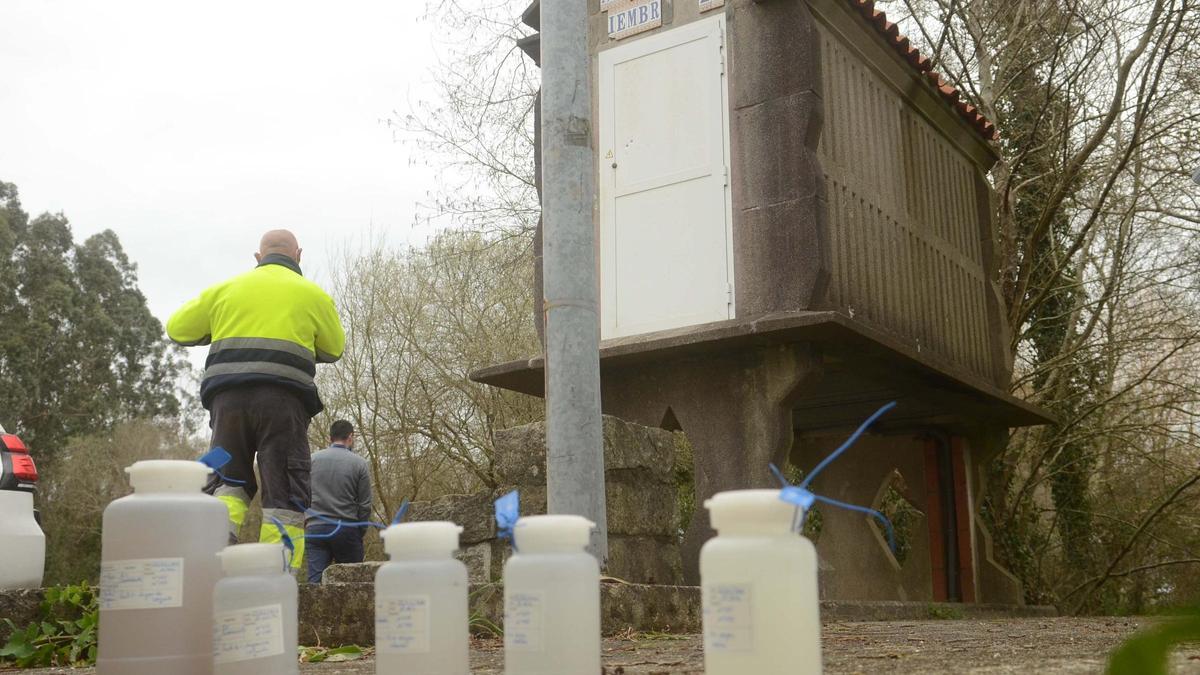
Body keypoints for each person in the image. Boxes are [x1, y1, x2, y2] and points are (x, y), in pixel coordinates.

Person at [166, 229, 345, 573]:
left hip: (226, 403)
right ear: (299, 256)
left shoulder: (225, 289)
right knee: (285, 492)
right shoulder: (313, 295)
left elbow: (178, 328)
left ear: (257, 258)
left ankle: (209, 570)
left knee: (227, 485)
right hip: (285, 403)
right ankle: (276, 578)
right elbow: (333, 349)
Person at [305, 420, 373, 583]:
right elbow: (365, 504)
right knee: (353, 583)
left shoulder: (311, 461)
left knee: (315, 585)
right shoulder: (360, 464)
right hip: (346, 528)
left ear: (330, 438)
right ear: (351, 437)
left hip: (315, 528)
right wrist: (360, 530)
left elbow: (302, 494)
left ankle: (315, 609)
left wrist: (307, 521)